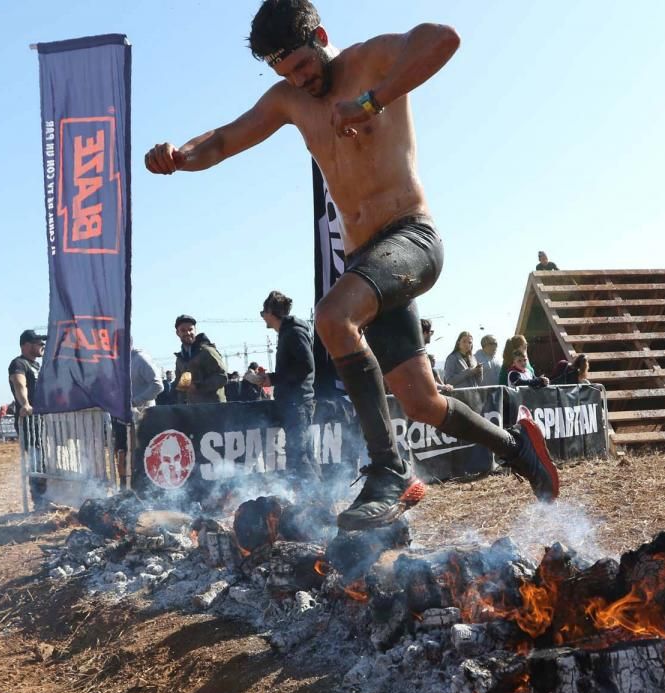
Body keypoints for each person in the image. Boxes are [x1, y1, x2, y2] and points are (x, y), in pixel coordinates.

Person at [145, 0, 558, 529]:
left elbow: (444, 38)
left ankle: (389, 469)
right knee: (423, 404)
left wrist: (372, 101)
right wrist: (180, 156)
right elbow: (224, 140)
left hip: (413, 238)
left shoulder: (370, 61)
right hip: (369, 261)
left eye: (300, 65)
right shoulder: (290, 99)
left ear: (319, 35)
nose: (298, 79)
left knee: (332, 317)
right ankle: (518, 448)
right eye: (283, 72)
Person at [246, 290, 321, 482]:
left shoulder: (294, 332)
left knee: (298, 456)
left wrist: (274, 379)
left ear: (271, 311)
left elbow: (306, 366)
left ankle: (312, 501)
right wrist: (270, 377)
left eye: (263, 313)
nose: (263, 317)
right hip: (294, 403)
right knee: (305, 454)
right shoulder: (288, 332)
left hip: (298, 404)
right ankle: (320, 500)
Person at [9, 329, 49, 507]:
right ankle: (39, 502)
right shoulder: (19, 364)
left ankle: (48, 496)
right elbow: (20, 384)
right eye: (39, 343)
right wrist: (25, 404)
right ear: (26, 345)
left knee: (46, 460)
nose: (42, 346)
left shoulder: (38, 366)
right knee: (36, 460)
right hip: (29, 421)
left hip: (43, 420)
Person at [114, 347, 165, 486]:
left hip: (142, 419)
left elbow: (158, 385)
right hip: (122, 417)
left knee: (141, 457)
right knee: (122, 453)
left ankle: (144, 492)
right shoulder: (116, 362)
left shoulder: (140, 359)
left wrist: (134, 401)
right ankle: (125, 490)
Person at [173, 314, 229, 404]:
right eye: (183, 330)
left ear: (195, 330)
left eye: (190, 329)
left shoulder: (207, 351)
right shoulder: (181, 358)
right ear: (177, 333)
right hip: (194, 410)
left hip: (215, 408)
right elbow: (182, 388)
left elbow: (222, 376)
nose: (187, 333)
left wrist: (199, 386)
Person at [420, 319, 453, 392]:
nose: (431, 334)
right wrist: (442, 387)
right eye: (431, 332)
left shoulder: (419, 353)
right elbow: (423, 382)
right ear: (425, 333)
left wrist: (443, 387)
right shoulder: (417, 356)